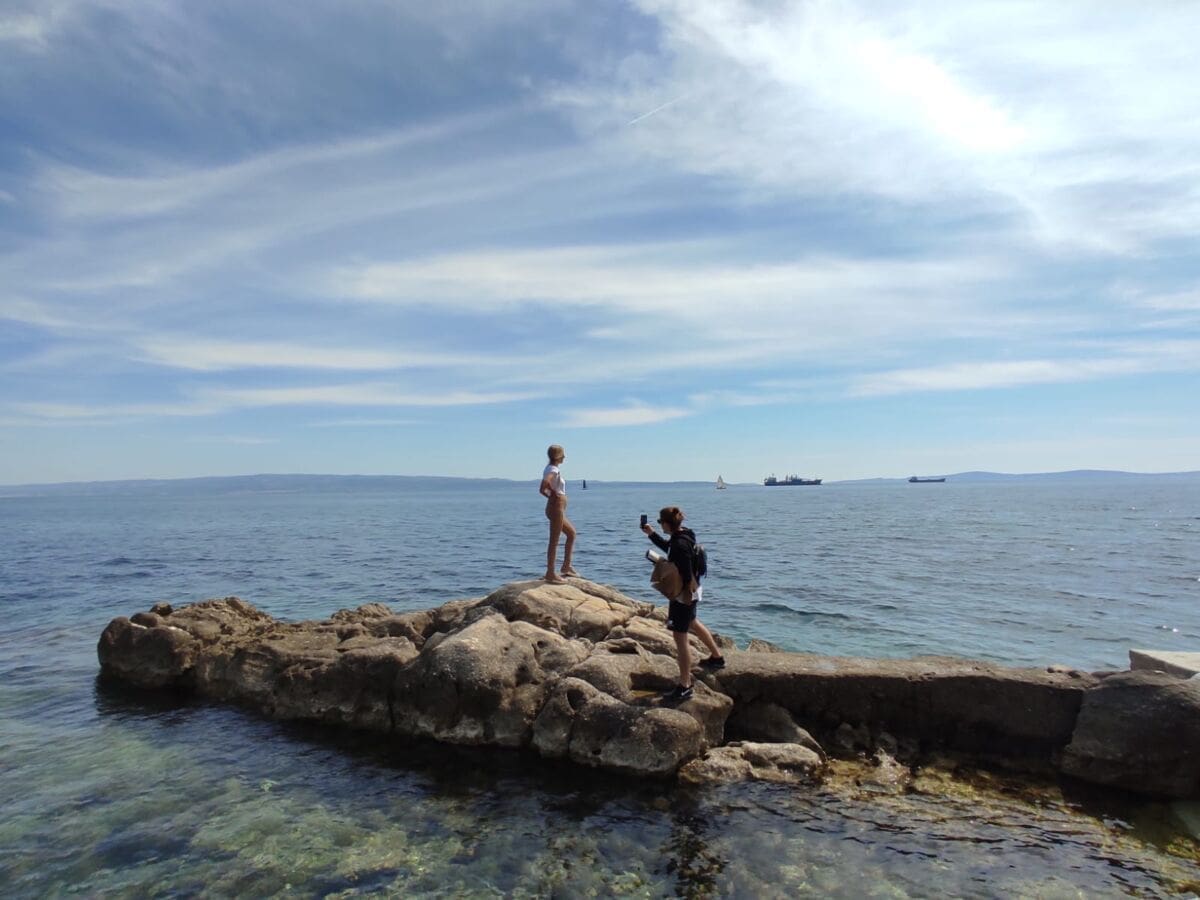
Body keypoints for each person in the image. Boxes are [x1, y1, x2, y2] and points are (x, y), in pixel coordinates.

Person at [641, 506, 725, 701]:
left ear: (667, 523)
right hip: (692, 592)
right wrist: (651, 534)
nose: (660, 525)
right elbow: (671, 550)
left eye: (660, 522)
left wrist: (685, 592)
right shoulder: (686, 534)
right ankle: (717, 657)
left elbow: (685, 569)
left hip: (683, 595)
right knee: (693, 621)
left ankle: (685, 685)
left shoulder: (679, 544)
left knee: (680, 639)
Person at [539, 444, 578, 584]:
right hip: (556, 508)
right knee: (554, 541)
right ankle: (550, 573)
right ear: (557, 456)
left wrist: (551, 495)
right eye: (562, 454)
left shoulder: (551, 468)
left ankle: (566, 566)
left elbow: (545, 488)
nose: (564, 457)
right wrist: (553, 495)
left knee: (571, 533)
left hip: (556, 507)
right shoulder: (553, 470)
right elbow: (543, 486)